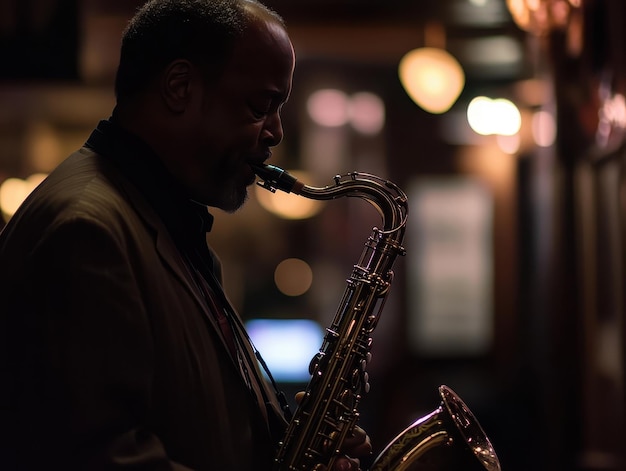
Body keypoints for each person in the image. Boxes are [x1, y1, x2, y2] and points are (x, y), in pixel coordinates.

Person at [0, 0, 371, 469]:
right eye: (260, 105)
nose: (274, 131)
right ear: (179, 87)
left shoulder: (161, 217)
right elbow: (97, 457)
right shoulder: (86, 232)